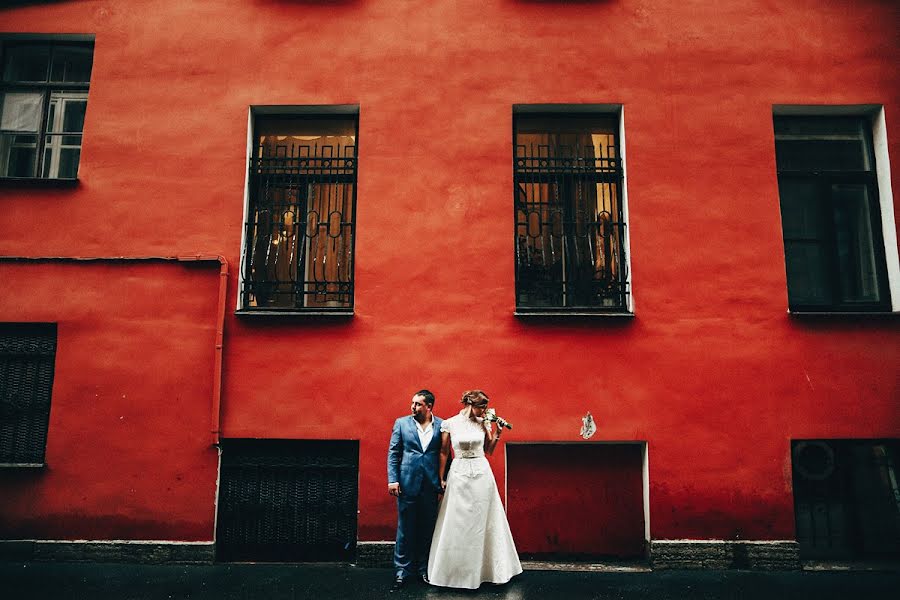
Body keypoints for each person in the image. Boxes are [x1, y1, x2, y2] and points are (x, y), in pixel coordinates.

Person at [427, 390, 523, 589]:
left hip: (481, 473)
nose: (484, 410)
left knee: (483, 518)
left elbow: (488, 450)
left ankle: (488, 570)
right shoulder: (450, 424)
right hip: (459, 472)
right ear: (470, 404)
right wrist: (441, 477)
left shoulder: (483, 422)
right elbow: (444, 452)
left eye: (486, 407)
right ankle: (455, 571)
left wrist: (496, 433)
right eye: (482, 406)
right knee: (458, 519)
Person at [387, 390, 443, 590]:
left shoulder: (442, 425)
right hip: (407, 483)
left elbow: (446, 455)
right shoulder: (401, 423)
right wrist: (393, 480)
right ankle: (402, 572)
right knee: (405, 530)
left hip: (430, 485)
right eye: (412, 403)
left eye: (418, 404)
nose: (413, 407)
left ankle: (423, 569)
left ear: (429, 406)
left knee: (427, 529)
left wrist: (444, 481)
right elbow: (394, 453)